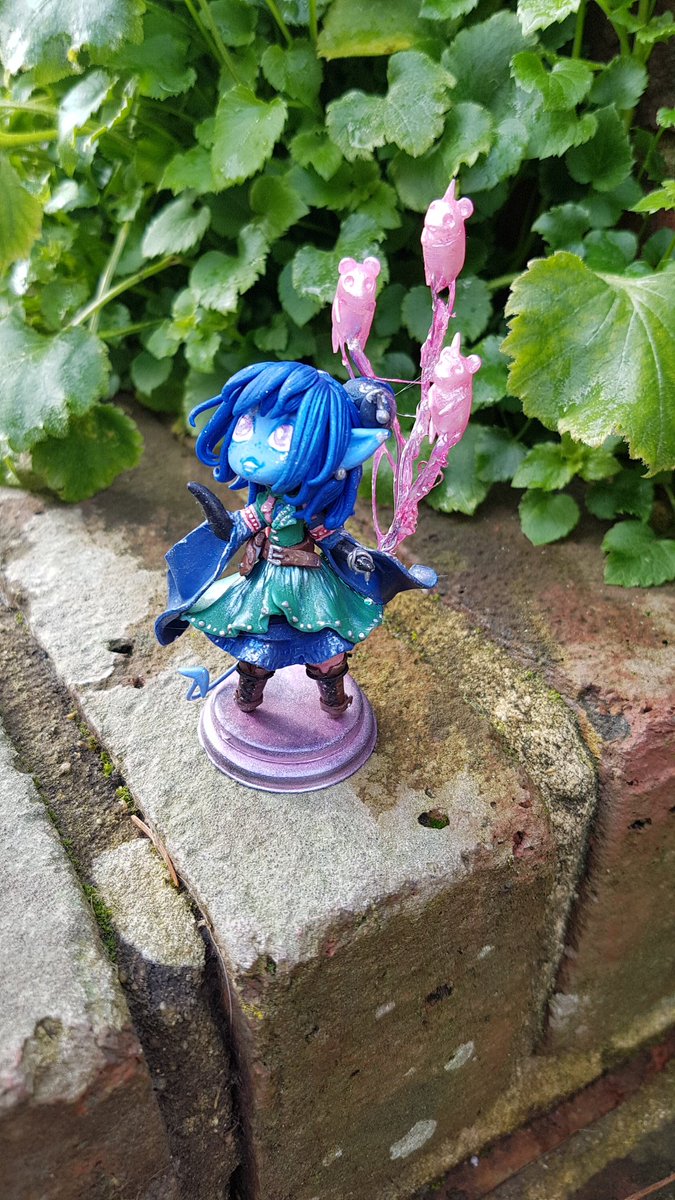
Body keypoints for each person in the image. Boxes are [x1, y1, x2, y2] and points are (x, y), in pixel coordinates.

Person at [156, 361, 436, 717]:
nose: (254, 453)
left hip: (308, 584)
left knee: (326, 650)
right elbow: (240, 525)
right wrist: (220, 521)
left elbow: (329, 537)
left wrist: (353, 555)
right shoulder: (266, 504)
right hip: (264, 580)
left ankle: (334, 698)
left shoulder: (310, 508)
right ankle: (248, 694)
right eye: (246, 427)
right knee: (255, 648)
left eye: (282, 437)